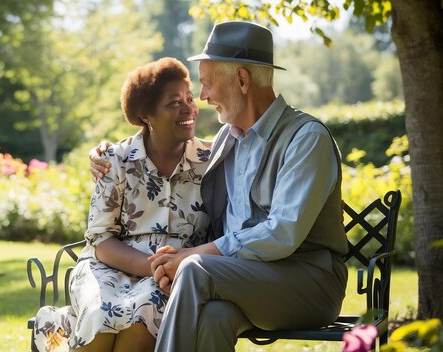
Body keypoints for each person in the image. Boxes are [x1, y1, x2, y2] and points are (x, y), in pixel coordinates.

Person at [89, 21, 349, 351]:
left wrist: (193, 255)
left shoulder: (306, 139)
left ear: (241, 80)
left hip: (309, 284)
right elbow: (160, 146)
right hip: (245, 279)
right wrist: (104, 153)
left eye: (207, 85)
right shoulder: (227, 139)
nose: (204, 98)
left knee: (195, 269)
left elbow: (281, 233)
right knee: (213, 317)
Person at [33, 57, 212, 352]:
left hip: (173, 272)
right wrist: (149, 266)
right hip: (108, 266)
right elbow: (101, 239)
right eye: (173, 102)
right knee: (100, 313)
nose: (188, 108)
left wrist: (162, 269)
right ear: (147, 116)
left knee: (144, 311)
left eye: (189, 99)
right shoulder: (115, 160)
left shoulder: (212, 159)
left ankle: (61, 330)